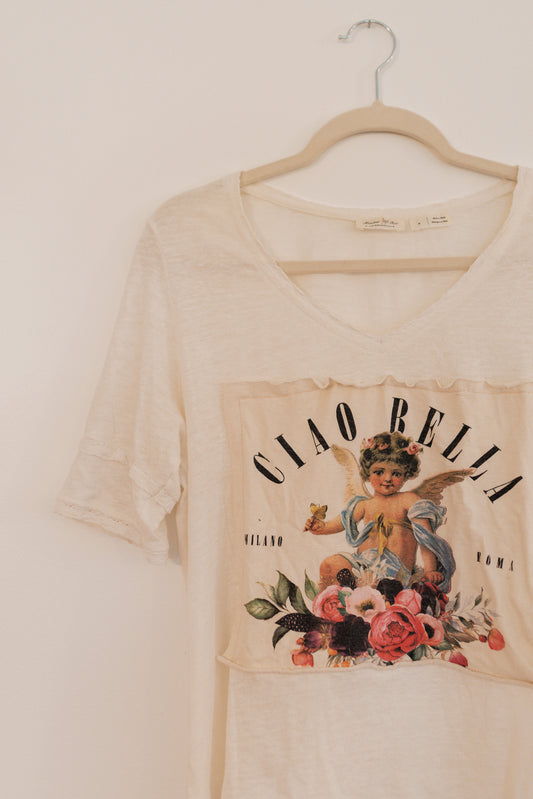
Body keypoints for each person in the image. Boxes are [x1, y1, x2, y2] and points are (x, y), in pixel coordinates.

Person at [303, 431, 457, 593]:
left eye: (396, 473)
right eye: (379, 472)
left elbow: (426, 538)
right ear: (368, 473)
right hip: (362, 565)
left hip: (394, 570)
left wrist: (430, 570)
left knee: (384, 590)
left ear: (406, 474)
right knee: (329, 565)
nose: (387, 478)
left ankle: (365, 598)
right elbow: (342, 522)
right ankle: (336, 602)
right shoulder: (364, 504)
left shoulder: (409, 500)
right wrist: (321, 527)